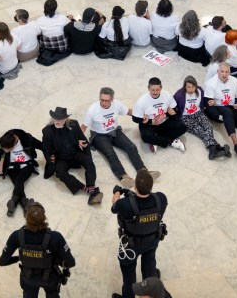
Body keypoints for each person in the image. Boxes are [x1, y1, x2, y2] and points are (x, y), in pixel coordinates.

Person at [111, 169, 169, 298]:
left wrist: (117, 192)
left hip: (131, 246)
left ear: (135, 185)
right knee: (149, 267)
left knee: (128, 275)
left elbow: (114, 207)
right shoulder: (161, 199)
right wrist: (132, 194)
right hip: (152, 241)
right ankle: (151, 283)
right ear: (152, 185)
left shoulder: (124, 205)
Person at [81, 88, 156, 188]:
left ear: (111, 99)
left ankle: (143, 171)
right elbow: (83, 127)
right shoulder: (92, 109)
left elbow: (128, 111)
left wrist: (142, 115)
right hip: (99, 135)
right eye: (101, 100)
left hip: (115, 131)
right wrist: (78, 139)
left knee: (131, 147)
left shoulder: (117, 104)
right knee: (111, 154)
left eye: (106, 100)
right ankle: (123, 176)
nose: (103, 103)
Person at [0, 202, 76, 298]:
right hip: (50, 279)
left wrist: (20, 257)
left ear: (26, 217)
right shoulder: (56, 237)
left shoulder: (16, 236)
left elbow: (2, 261)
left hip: (28, 279)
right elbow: (71, 262)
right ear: (44, 218)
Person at [41, 107, 104, 205]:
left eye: (60, 119)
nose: (57, 121)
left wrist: (88, 158)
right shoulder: (47, 131)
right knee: (60, 173)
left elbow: (84, 141)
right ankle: (87, 190)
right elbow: (46, 149)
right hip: (61, 158)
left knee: (89, 162)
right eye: (55, 118)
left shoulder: (73, 124)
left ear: (66, 119)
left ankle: (91, 187)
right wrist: (51, 160)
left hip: (74, 154)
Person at [172, 76, 230, 160]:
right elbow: (172, 105)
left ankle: (213, 151)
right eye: (188, 87)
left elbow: (203, 101)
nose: (191, 89)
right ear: (185, 87)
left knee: (209, 127)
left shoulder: (199, 90)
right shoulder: (179, 95)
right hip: (185, 117)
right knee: (200, 131)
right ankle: (217, 148)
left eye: (193, 87)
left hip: (199, 113)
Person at [0, 129, 44, 216]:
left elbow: (40, 145)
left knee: (19, 180)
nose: (6, 151)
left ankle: (13, 201)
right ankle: (25, 203)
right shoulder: (4, 140)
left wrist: (52, 154)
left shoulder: (27, 139)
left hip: (26, 165)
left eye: (8, 149)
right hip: (12, 167)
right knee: (19, 181)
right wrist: (0, 164)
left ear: (14, 143)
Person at [132, 78, 187, 153]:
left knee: (183, 127)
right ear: (148, 88)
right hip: (149, 125)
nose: (155, 92)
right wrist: (151, 121)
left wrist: (165, 115)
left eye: (157, 90)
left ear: (161, 88)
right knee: (145, 137)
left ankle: (157, 141)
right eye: (153, 90)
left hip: (164, 121)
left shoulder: (166, 95)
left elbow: (174, 109)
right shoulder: (142, 101)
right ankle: (171, 140)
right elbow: (134, 118)